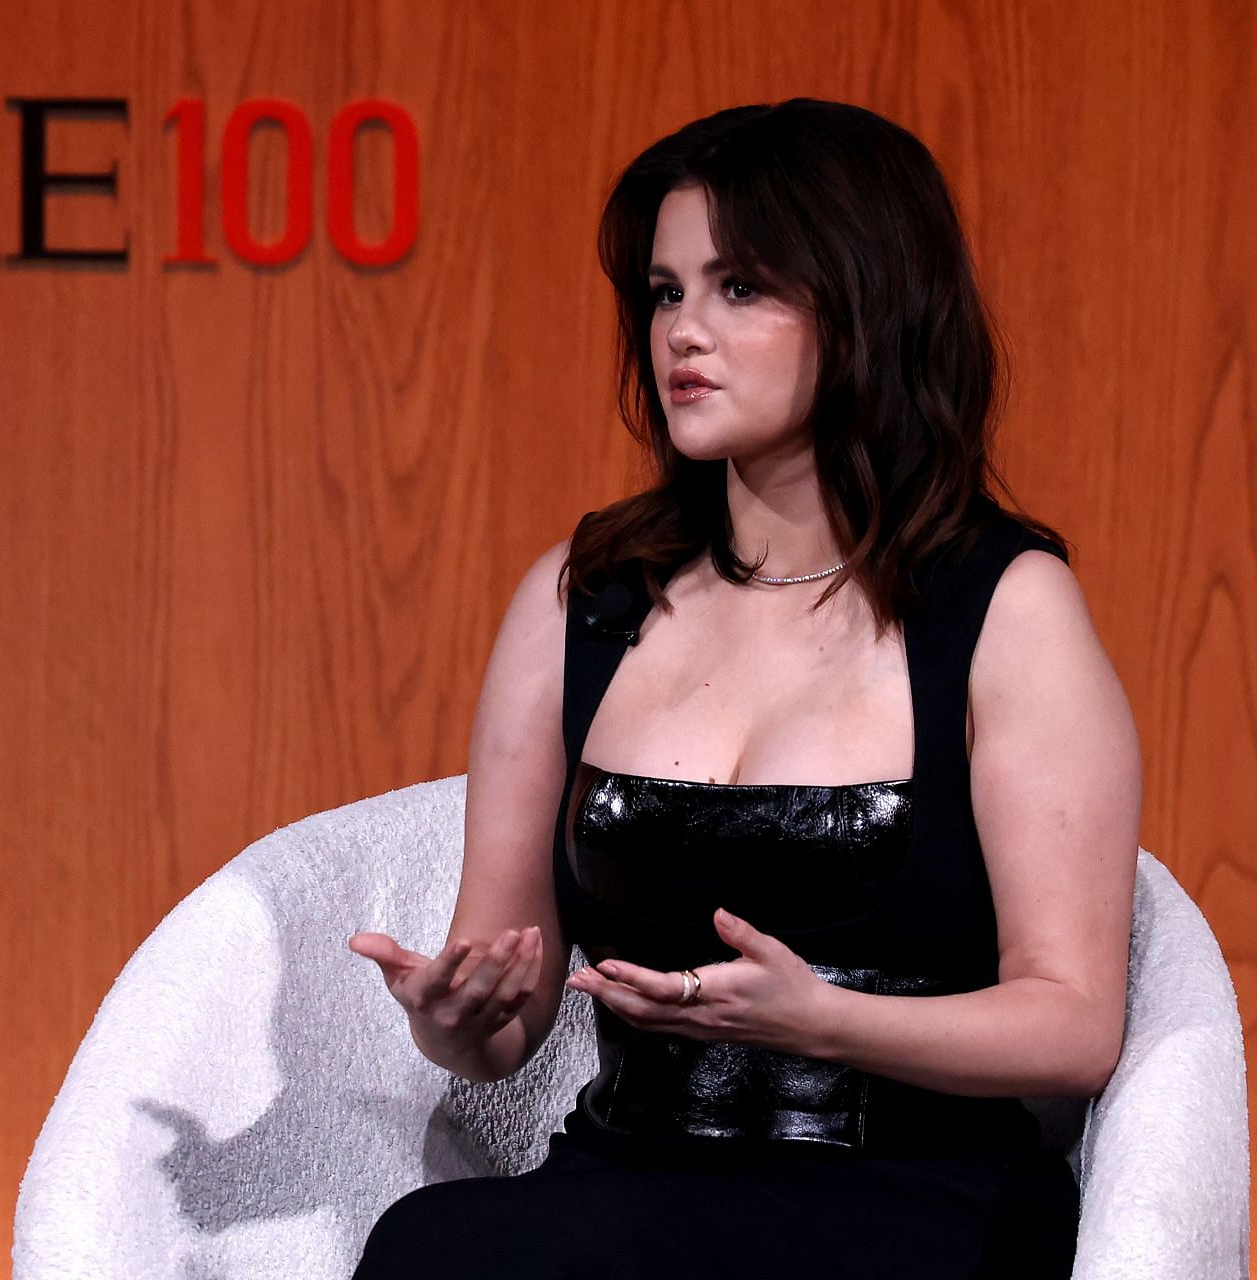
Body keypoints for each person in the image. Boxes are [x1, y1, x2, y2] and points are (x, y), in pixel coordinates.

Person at [345, 98, 1139, 1279]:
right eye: (665, 293)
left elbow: (1074, 1024)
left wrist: (821, 1017)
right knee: (431, 1248)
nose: (683, 333)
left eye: (741, 287)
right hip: (630, 1172)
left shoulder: (1003, 604)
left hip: (912, 1193)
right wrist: (453, 1013)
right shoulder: (583, 594)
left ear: (868, 307)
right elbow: (505, 1021)